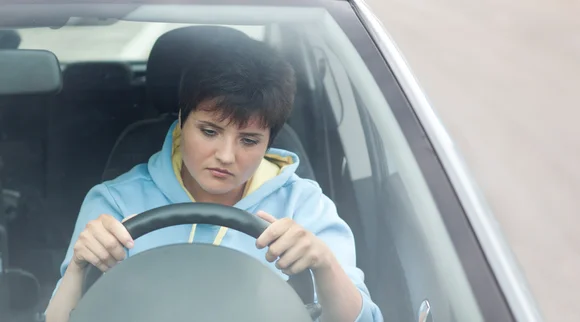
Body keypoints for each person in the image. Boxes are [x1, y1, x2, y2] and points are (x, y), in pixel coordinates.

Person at [45, 35, 383, 322]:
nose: (226, 155)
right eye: (209, 131)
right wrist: (77, 268)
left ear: (270, 141)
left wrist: (324, 265)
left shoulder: (303, 206)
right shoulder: (115, 203)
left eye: (249, 141)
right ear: (181, 119)